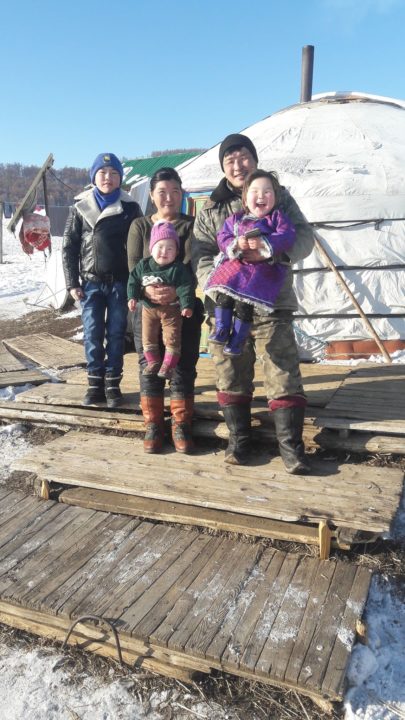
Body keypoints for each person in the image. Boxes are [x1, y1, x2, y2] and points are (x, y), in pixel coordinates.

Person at [192, 133, 315, 474]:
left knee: (281, 368)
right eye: (230, 160)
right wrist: (214, 286)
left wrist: (273, 250)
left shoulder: (279, 198)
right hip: (226, 305)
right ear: (222, 167)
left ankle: (291, 448)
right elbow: (199, 252)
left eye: (243, 157)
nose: (237, 164)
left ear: (254, 160)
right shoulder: (213, 209)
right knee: (230, 369)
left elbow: (304, 236)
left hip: (272, 301)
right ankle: (239, 440)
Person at [127, 167, 204, 454]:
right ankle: (154, 425)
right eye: (162, 192)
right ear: (152, 195)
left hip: (182, 307)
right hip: (146, 308)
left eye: (174, 191)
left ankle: (181, 425)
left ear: (181, 193)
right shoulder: (139, 226)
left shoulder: (191, 225)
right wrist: (146, 290)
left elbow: (195, 265)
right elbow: (133, 265)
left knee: (182, 363)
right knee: (149, 363)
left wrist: (175, 291)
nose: (169, 197)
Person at [63, 153, 142, 408]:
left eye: (113, 173)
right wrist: (71, 282)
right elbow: (69, 247)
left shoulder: (130, 208)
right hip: (90, 283)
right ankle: (94, 383)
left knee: (117, 333)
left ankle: (112, 384)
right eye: (103, 172)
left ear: (120, 178)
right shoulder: (80, 208)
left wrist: (135, 284)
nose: (108, 177)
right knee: (92, 333)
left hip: (120, 282)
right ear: (94, 176)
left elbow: (139, 247)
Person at [205, 169, 296, 356]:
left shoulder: (277, 219)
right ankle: (222, 330)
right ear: (245, 198)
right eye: (255, 191)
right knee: (223, 296)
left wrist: (265, 244)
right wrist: (236, 243)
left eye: (267, 191)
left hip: (259, 272)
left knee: (243, 306)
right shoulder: (235, 219)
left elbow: (287, 236)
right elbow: (222, 237)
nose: (261, 196)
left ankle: (237, 340)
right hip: (235, 269)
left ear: (276, 197)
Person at [127, 220, 195, 380]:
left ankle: (168, 366)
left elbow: (186, 287)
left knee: (172, 337)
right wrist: (132, 297)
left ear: (176, 251)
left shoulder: (177, 268)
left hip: (171, 309)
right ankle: (153, 362)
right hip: (148, 309)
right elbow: (133, 281)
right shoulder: (144, 265)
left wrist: (187, 305)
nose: (164, 252)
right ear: (152, 248)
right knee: (147, 336)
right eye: (160, 247)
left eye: (170, 248)